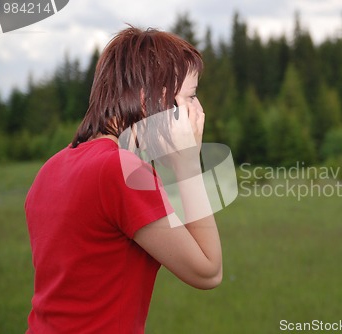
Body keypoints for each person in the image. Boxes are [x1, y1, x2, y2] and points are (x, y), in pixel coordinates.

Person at [24, 26, 222, 333]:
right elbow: (209, 271)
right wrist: (188, 164)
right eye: (190, 98)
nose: (198, 112)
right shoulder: (121, 171)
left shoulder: (50, 169)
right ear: (149, 99)